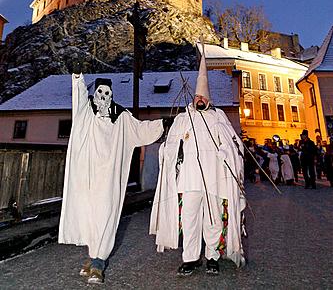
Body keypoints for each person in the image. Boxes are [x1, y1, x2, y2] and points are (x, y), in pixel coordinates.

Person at [58, 66, 163, 284]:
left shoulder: (121, 117)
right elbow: (78, 99)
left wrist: (162, 123)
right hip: (88, 174)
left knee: (105, 213)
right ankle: (92, 256)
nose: (103, 97)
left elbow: (141, 130)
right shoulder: (86, 112)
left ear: (112, 94)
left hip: (108, 176)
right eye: (99, 92)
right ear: (94, 93)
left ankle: (99, 261)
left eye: (107, 93)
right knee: (89, 214)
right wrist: (78, 78)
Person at [149, 47, 246, 276]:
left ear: (208, 98)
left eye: (203, 96)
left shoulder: (218, 116)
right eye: (197, 96)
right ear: (193, 98)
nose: (199, 99)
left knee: (213, 219)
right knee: (190, 219)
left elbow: (235, 146)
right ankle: (190, 258)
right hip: (189, 178)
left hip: (215, 177)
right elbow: (170, 144)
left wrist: (226, 153)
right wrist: (171, 153)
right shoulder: (183, 118)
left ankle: (212, 256)